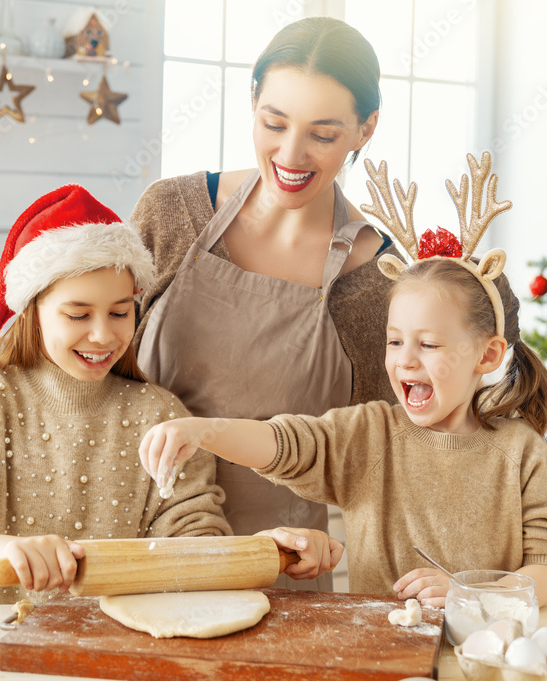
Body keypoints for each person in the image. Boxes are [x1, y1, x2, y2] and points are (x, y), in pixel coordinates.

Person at [139, 154, 547, 606]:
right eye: (394, 342)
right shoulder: (372, 434)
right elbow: (286, 444)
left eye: (428, 345)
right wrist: (201, 432)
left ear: (487, 355)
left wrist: (472, 595)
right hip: (383, 652)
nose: (405, 361)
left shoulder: (521, 453)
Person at [0, 185, 341, 605]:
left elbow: (194, 550)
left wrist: (269, 550)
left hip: (120, 652)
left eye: (120, 312)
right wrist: (12, 550)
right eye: (78, 315)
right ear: (33, 313)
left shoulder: (159, 414)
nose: (103, 335)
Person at [131, 16, 397, 591]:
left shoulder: (379, 278)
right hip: (131, 551)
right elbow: (91, 367)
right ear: (252, 101)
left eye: (323, 135)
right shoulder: (171, 212)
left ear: (366, 129)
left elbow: (377, 457)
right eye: (274, 123)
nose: (291, 154)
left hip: (278, 575)